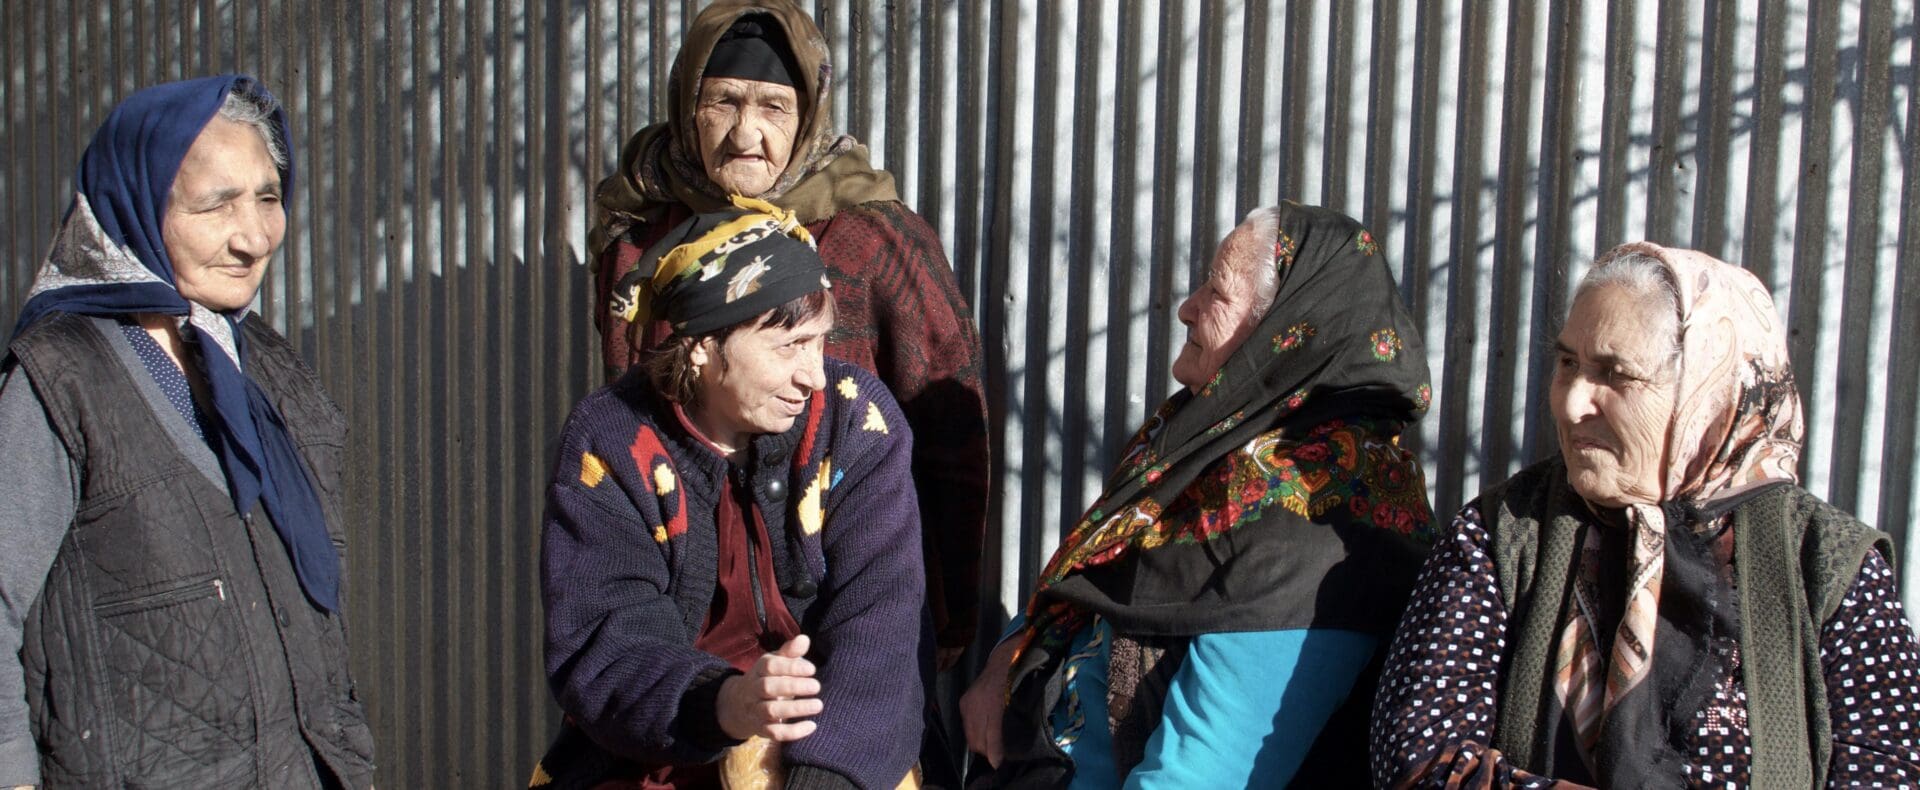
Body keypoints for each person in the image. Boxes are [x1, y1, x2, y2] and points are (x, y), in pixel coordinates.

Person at [1370, 242, 1920, 787]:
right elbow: (1420, 756)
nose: (1571, 402)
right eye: (1567, 363)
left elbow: (1888, 769)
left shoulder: (1827, 563)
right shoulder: (1500, 532)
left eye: (1614, 374)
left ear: (1707, 393)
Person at [961, 203, 1438, 787]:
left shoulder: (1320, 528)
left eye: (1217, 291)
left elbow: (1196, 775)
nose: (1187, 307)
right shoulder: (1214, 451)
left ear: (1284, 335)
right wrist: (1010, 655)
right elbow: (1098, 578)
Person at [590, 0, 989, 667]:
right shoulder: (641, 237)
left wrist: (954, 613)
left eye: (774, 107)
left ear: (807, 117)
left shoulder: (872, 237)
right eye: (723, 101)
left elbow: (952, 436)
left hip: (840, 598)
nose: (747, 132)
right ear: (688, 106)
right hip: (680, 590)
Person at [0, 76, 374, 787]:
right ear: (137, 205)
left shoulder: (257, 363)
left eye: (268, 196)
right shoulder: (62, 377)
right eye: (216, 204)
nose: (254, 236)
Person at [535, 200, 925, 789]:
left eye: (819, 342)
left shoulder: (854, 422)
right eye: (788, 346)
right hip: (661, 748)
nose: (814, 376)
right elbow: (604, 640)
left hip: (836, 749)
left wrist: (822, 781)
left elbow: (879, 628)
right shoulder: (614, 440)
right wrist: (725, 704)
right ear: (702, 346)